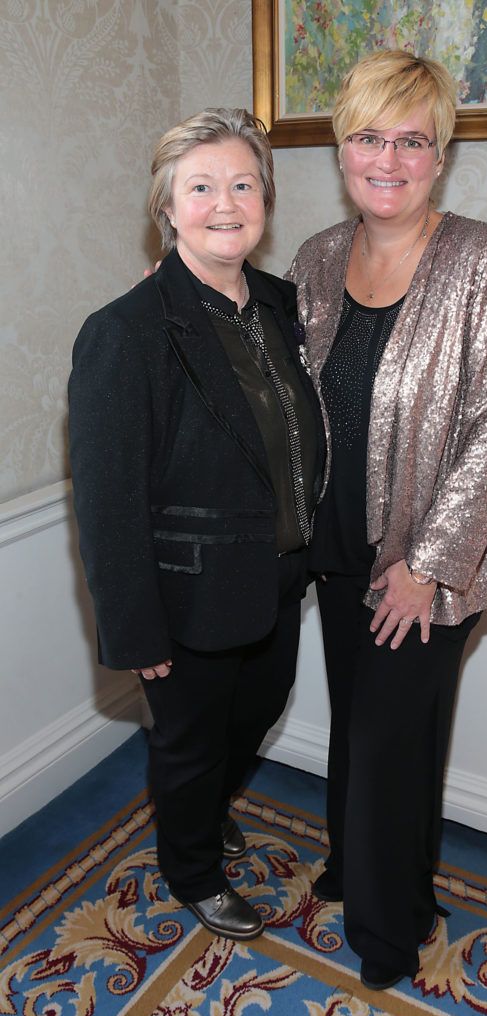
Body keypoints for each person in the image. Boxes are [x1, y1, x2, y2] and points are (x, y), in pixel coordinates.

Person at [287, 51, 487, 990]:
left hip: (438, 564)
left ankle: (387, 931)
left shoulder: (482, 257)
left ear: (440, 154)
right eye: (366, 136)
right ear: (339, 145)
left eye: (410, 140)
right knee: (365, 724)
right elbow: (288, 391)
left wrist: (427, 564)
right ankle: (361, 866)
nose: (385, 158)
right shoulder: (315, 256)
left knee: (389, 742)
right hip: (340, 554)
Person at [68, 108, 326, 943]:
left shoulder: (288, 306)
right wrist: (133, 628)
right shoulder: (125, 332)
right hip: (185, 597)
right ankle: (193, 870)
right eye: (202, 186)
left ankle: (209, 810)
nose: (226, 202)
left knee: (257, 713)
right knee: (187, 745)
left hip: (279, 576)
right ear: (168, 208)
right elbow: (107, 500)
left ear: (266, 201)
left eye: (243, 184)